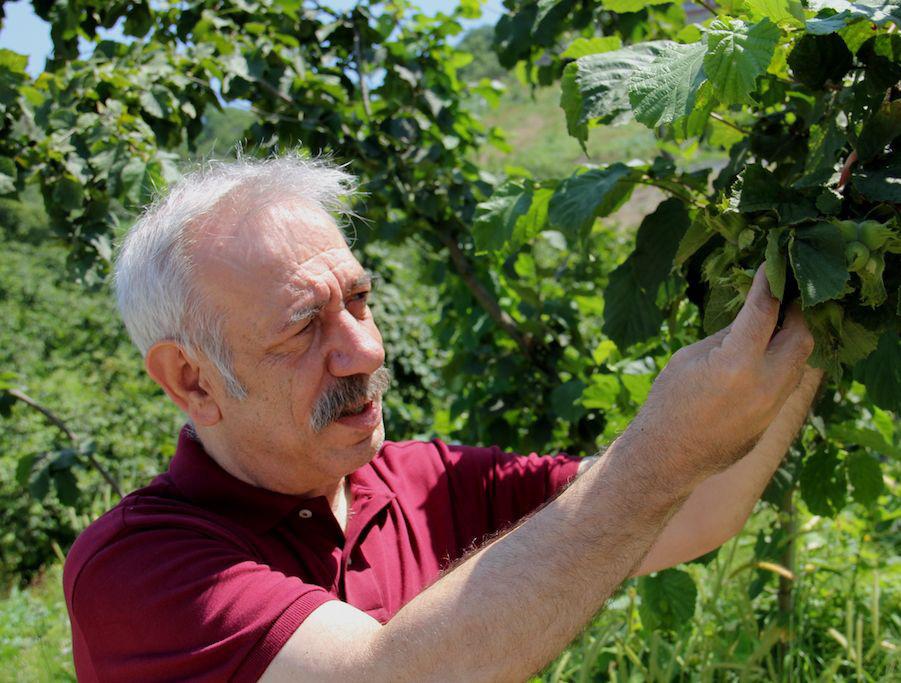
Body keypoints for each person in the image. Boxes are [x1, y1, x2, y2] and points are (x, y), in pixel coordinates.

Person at [63, 156, 822, 682]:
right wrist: (661, 448)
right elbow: (394, 673)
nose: (364, 349)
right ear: (191, 380)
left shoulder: (421, 484)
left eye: (359, 299)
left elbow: (686, 512)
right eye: (304, 325)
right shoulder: (137, 570)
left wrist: (821, 299)